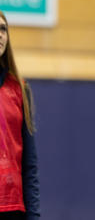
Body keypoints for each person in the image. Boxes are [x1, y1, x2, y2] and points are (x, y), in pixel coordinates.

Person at [0, 11, 40, 220]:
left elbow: (30, 164)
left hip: (12, 207)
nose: (0, 35)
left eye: (3, 29)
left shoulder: (20, 89)